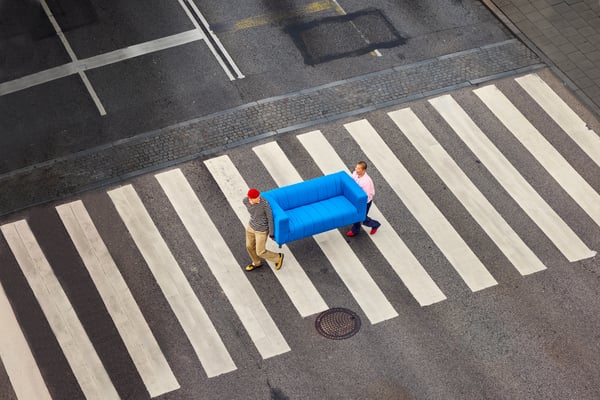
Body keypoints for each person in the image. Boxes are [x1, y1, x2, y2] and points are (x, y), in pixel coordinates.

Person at [243, 188, 284, 271]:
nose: (259, 198)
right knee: (249, 246)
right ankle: (256, 263)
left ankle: (278, 257)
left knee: (260, 251)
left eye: (259, 196)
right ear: (250, 198)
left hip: (261, 231)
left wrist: (271, 233)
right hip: (251, 227)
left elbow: (270, 218)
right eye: (256, 197)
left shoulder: (264, 204)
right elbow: (253, 212)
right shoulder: (245, 201)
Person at [346, 161, 381, 237]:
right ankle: (355, 230)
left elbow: (366, 196)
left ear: (364, 170)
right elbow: (351, 182)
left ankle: (375, 224)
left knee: (362, 217)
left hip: (365, 202)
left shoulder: (366, 182)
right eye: (356, 168)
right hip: (356, 198)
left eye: (359, 169)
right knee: (356, 215)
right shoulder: (355, 173)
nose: (356, 170)